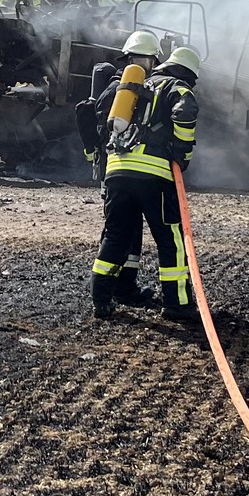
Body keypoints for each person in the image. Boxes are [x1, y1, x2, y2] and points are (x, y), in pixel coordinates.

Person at [91, 43, 201, 323]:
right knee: (170, 240)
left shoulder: (137, 86)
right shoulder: (177, 86)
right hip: (153, 176)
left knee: (115, 235)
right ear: (188, 74)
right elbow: (185, 111)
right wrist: (182, 153)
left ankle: (101, 300)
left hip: (116, 170)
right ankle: (178, 304)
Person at [76, 31, 162, 308]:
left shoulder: (111, 91)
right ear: (150, 61)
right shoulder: (134, 91)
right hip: (127, 172)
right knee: (118, 233)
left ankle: (123, 288)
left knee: (126, 230)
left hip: (114, 172)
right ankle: (105, 295)